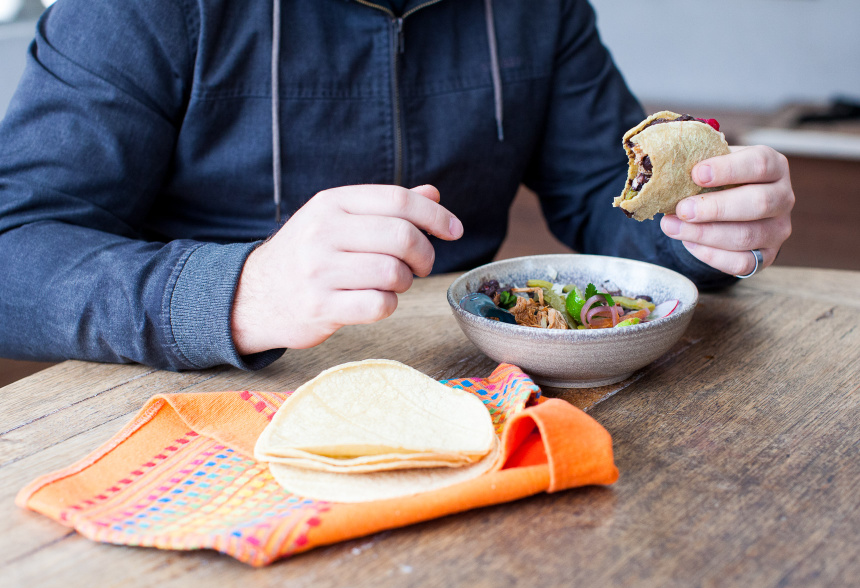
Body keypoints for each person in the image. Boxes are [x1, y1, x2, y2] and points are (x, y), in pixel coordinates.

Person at [0, 0, 794, 371]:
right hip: (193, 411)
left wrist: (707, 230)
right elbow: (14, 255)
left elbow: (603, 192)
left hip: (478, 400)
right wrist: (240, 292)